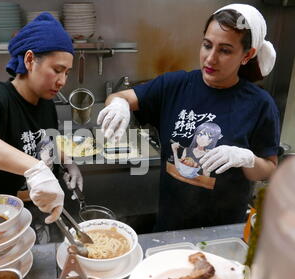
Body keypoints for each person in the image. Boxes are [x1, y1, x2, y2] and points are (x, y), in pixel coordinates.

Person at [97, 4, 280, 232]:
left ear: (247, 55)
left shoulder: (259, 104)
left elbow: (269, 168)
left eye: (225, 50)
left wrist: (247, 159)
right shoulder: (175, 86)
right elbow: (119, 96)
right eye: (207, 45)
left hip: (224, 231)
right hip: (169, 228)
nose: (210, 59)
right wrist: (119, 104)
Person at [0, 12, 82, 229]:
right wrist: (36, 169)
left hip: (36, 212)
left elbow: (47, 140)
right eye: (57, 70)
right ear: (30, 60)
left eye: (67, 73)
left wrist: (68, 161)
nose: (62, 81)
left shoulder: (46, 102)